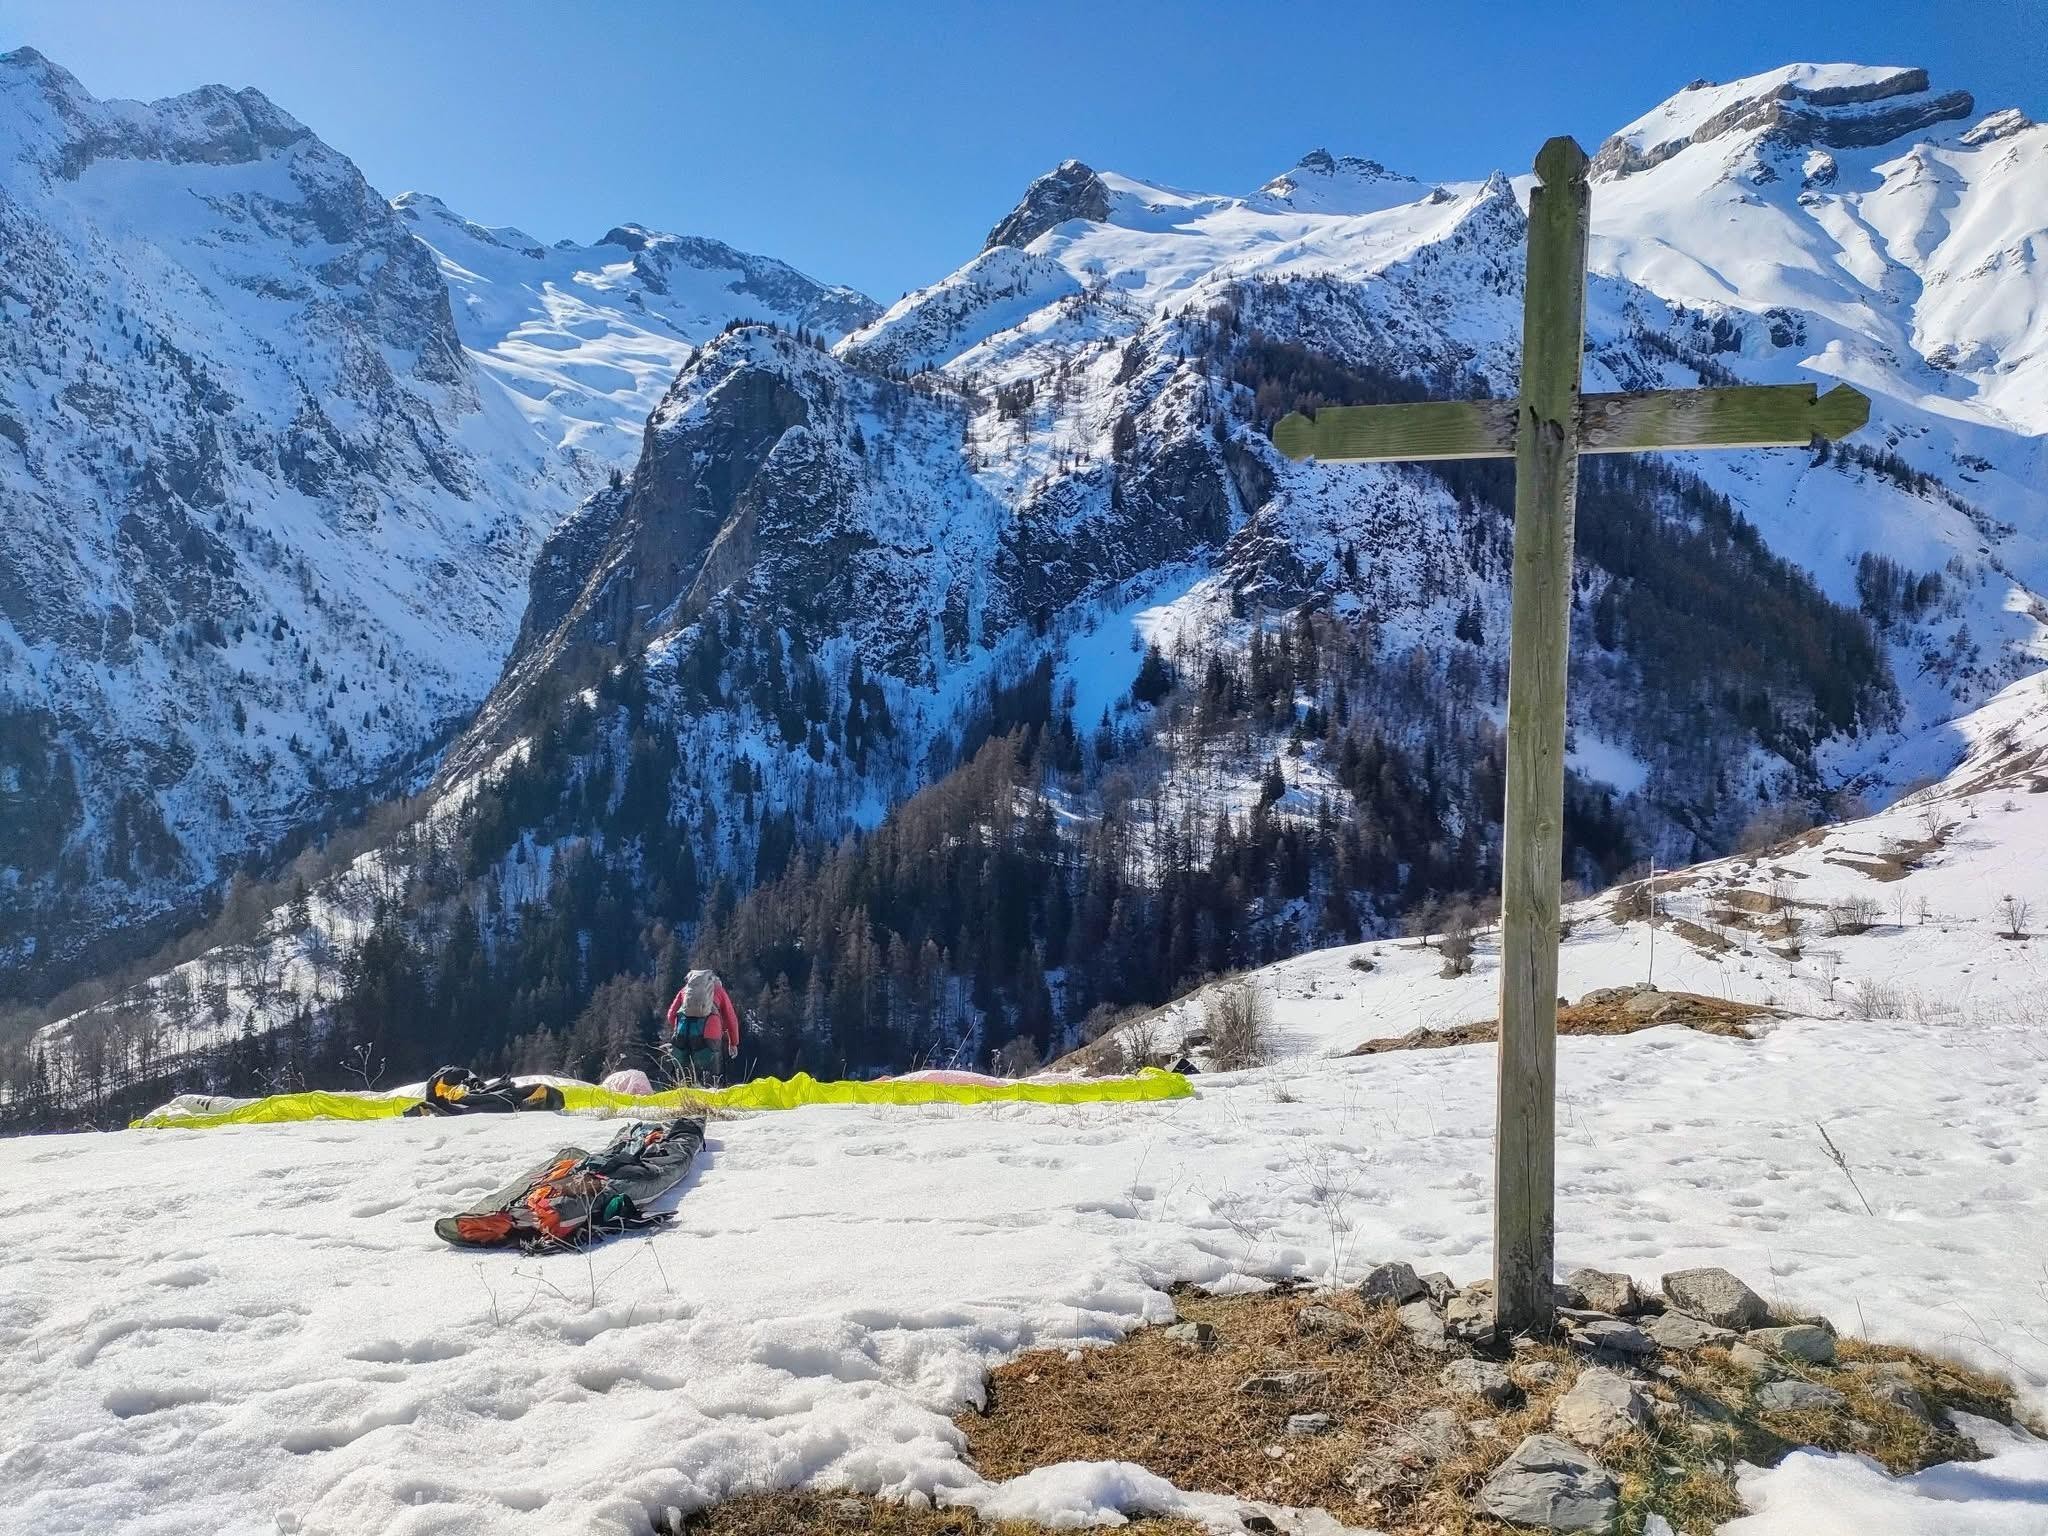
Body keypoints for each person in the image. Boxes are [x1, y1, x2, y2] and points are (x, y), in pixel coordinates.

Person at [664, 968, 741, 1087]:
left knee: (682, 1070)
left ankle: (683, 1098)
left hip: (683, 1032)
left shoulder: (685, 990)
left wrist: (679, 1028)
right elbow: (731, 1018)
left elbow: (670, 1016)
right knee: (710, 1073)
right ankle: (709, 1098)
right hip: (710, 1033)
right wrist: (733, 1042)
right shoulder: (718, 990)